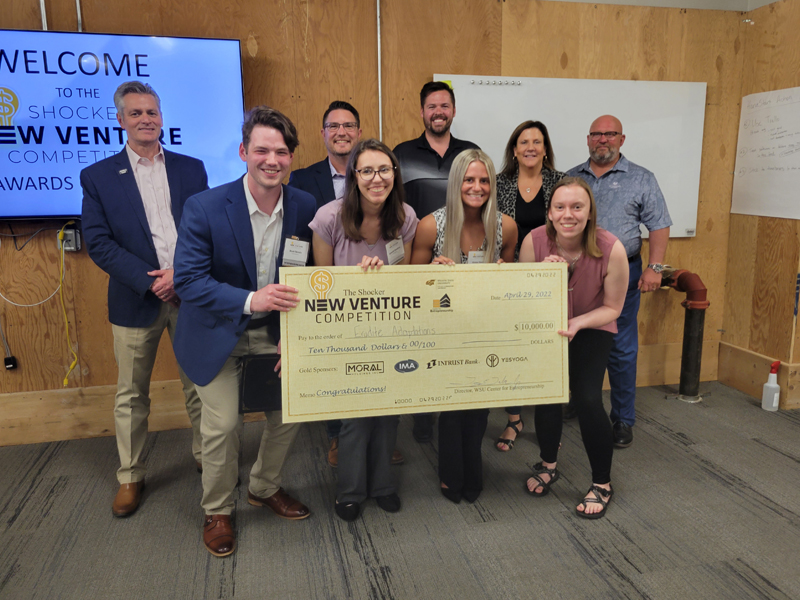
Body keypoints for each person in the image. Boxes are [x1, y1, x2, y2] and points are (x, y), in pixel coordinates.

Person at [172, 106, 316, 557]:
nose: (271, 160)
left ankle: (263, 485)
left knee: (290, 413)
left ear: (291, 157)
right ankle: (218, 509)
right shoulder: (205, 206)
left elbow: (304, 275)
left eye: (281, 151)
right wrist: (251, 299)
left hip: (274, 333)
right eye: (261, 150)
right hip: (215, 332)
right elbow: (188, 280)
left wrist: (291, 338)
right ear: (243, 153)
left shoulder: (304, 206)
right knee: (223, 424)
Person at [81, 81, 208, 518]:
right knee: (132, 394)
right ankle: (130, 476)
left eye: (151, 112)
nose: (145, 119)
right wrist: (150, 280)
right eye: (135, 113)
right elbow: (98, 243)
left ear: (161, 117)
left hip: (190, 294)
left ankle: (207, 457)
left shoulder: (193, 169)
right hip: (136, 299)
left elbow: (203, 231)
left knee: (200, 385)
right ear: (120, 120)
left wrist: (181, 275)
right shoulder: (98, 176)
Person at [309, 139, 418, 521]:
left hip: (390, 329)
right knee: (355, 417)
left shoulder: (405, 217)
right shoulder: (329, 217)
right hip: (345, 331)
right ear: (354, 176)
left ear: (394, 175)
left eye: (384, 170)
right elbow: (321, 282)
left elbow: (404, 277)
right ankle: (351, 492)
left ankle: (384, 485)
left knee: (389, 412)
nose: (377, 178)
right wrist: (357, 280)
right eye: (367, 170)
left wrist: (385, 277)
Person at [519, 177, 628, 519]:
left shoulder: (612, 247)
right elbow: (520, 297)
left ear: (589, 211)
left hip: (592, 325)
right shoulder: (533, 241)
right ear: (549, 213)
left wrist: (579, 322)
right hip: (548, 327)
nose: (569, 214)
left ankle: (602, 483)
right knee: (549, 394)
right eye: (560, 207)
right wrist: (540, 275)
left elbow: (613, 308)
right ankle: (548, 464)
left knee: (587, 398)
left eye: (577, 207)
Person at [411, 148, 516, 503]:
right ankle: (450, 473)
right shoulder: (430, 225)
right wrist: (431, 274)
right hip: (443, 331)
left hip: (485, 328)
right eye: (469, 179)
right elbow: (410, 284)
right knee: (453, 408)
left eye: (484, 180)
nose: (477, 187)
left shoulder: (506, 226)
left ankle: (474, 467)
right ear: (457, 182)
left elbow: (510, 284)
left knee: (480, 408)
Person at [567, 115, 671, 449]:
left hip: (623, 273)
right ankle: (577, 401)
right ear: (587, 139)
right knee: (573, 339)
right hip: (576, 274)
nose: (603, 140)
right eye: (596, 134)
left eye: (610, 134)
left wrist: (655, 267)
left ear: (621, 139)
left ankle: (623, 419)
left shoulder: (642, 179)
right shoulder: (571, 177)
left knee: (621, 349)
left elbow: (659, 225)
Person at [393, 81, 479, 442]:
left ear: (454, 110)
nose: (438, 112)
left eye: (445, 105)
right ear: (422, 112)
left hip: (463, 262)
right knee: (422, 340)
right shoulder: (401, 152)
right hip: (420, 259)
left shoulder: (470, 151)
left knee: (459, 339)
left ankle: (457, 409)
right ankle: (424, 413)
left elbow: (480, 198)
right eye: (431, 106)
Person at [494, 120, 567, 452]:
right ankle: (513, 418)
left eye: (537, 142)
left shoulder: (561, 183)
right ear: (514, 149)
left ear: (545, 148)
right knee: (510, 349)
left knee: (542, 348)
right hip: (508, 275)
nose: (531, 148)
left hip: (548, 277)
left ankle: (547, 420)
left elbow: (570, 230)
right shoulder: (498, 183)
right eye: (524, 142)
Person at [288, 100, 362, 211]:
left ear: (358, 133)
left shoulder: (375, 178)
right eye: (333, 126)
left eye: (349, 126)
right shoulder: (302, 181)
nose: (341, 133)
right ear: (324, 134)